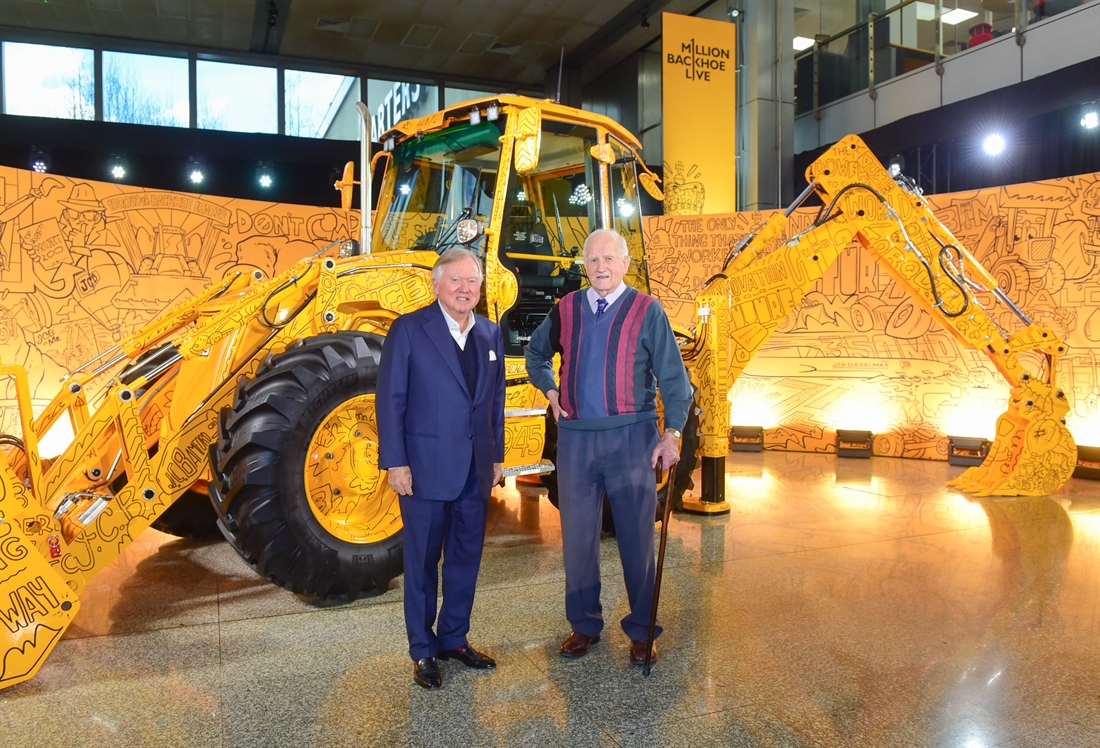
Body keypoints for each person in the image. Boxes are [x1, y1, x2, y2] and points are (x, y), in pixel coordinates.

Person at [525, 228, 691, 667]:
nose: (600, 267)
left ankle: (642, 631)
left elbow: (675, 381)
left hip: (632, 437)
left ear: (625, 263)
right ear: (585, 264)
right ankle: (583, 626)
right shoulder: (566, 309)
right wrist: (550, 391)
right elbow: (536, 356)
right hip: (577, 440)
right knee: (578, 540)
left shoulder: (647, 310)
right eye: (593, 260)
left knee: (637, 539)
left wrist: (671, 434)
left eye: (609, 259)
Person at [377, 247, 505, 689]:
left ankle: (454, 639)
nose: (465, 288)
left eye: (472, 281)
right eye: (455, 281)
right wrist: (395, 461)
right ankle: (423, 650)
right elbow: (390, 401)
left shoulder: (490, 333)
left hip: (475, 469)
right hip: (425, 470)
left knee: (466, 560)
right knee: (422, 563)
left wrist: (497, 458)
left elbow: (495, 402)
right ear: (436, 286)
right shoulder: (409, 330)